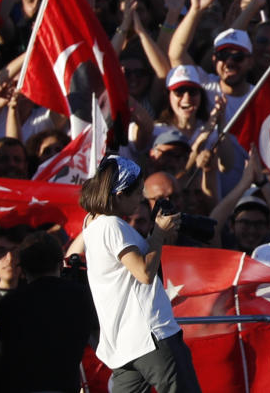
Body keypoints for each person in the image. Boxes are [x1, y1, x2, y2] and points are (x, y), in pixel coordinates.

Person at [79, 155, 201, 393]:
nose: (140, 200)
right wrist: (158, 234)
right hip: (151, 336)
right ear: (119, 195)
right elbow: (144, 273)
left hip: (125, 346)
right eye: (136, 193)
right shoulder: (112, 225)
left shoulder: (91, 223)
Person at [0, 231, 97, 393]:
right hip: (65, 385)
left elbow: (2, 351)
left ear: (23, 267)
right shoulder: (81, 296)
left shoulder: (11, 302)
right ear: (59, 263)